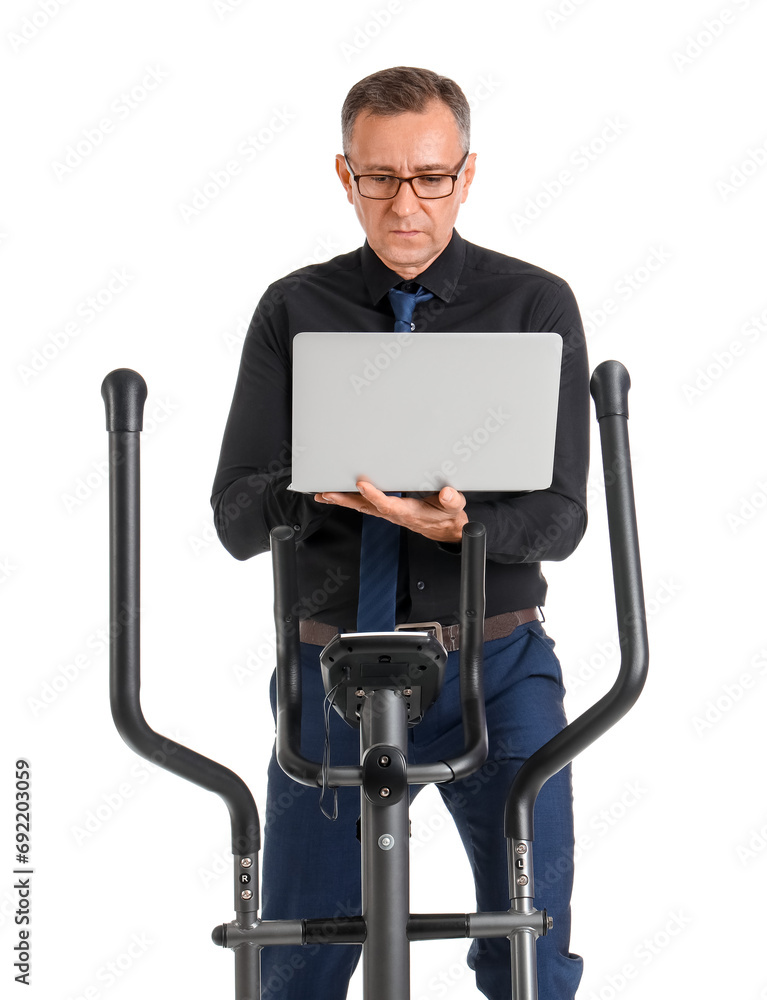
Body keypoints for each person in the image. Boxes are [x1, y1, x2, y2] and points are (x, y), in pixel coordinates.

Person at [211, 66, 588, 1000]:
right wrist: (318, 495)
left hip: (493, 666)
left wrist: (466, 527)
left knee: (530, 957)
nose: (405, 204)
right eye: (379, 178)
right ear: (345, 175)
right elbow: (233, 515)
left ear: (466, 175)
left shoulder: (534, 307)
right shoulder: (292, 310)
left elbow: (565, 517)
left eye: (428, 177)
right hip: (330, 670)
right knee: (295, 962)